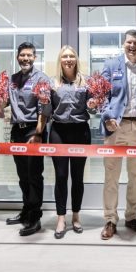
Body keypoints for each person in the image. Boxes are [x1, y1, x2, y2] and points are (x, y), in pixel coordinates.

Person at [98, 29, 136, 240]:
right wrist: (107, 116)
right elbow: (102, 96)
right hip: (115, 127)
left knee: (135, 176)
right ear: (123, 44)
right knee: (111, 176)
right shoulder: (111, 65)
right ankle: (110, 219)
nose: (132, 46)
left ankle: (131, 217)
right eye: (129, 42)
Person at [0, 42, 52, 237]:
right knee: (23, 175)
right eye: (22, 55)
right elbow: (3, 104)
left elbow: (44, 108)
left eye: (29, 55)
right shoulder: (12, 80)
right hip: (16, 131)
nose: (25, 58)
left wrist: (38, 133)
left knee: (34, 175)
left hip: (32, 131)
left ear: (35, 57)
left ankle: (35, 217)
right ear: (18, 57)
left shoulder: (41, 79)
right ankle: (26, 210)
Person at [49, 45, 91, 239]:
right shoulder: (52, 83)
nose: (68, 59)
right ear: (60, 60)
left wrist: (94, 105)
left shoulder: (86, 82)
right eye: (65, 56)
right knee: (61, 176)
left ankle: (75, 216)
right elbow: (47, 109)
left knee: (77, 176)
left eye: (71, 56)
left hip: (80, 131)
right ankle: (60, 218)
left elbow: (94, 109)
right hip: (59, 131)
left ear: (76, 59)